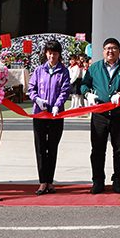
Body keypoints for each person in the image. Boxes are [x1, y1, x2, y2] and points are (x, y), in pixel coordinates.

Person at [80, 38, 120, 194]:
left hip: (119, 114)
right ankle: (98, 180)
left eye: (114, 48)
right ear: (103, 51)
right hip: (99, 115)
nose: (110, 51)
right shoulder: (94, 68)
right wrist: (87, 94)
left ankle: (118, 180)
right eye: (107, 48)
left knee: (119, 149)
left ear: (119, 51)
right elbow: (84, 84)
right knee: (98, 149)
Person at [28, 40, 71, 194]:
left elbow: (65, 91)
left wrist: (57, 105)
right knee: (40, 148)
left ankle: (50, 181)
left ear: (59, 55)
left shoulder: (64, 71)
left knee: (52, 148)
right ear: (45, 53)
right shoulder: (39, 70)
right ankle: (42, 181)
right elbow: (31, 88)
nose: (52, 56)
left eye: (55, 53)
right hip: (39, 114)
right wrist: (37, 99)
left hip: (56, 115)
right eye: (49, 53)